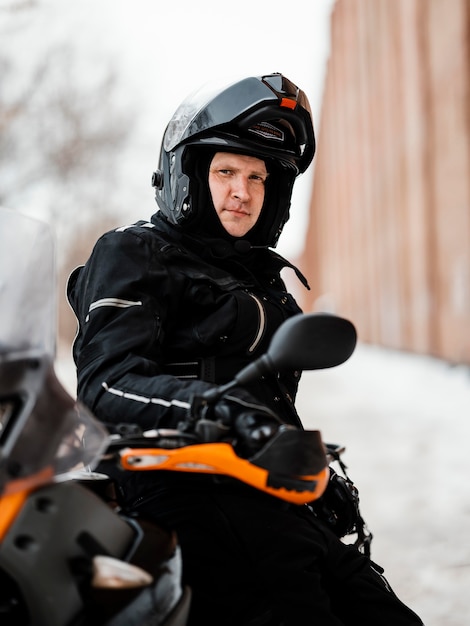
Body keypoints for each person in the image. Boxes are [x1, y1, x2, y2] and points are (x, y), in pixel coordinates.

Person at [67, 73, 423, 625]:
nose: (243, 191)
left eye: (258, 177)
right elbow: (106, 379)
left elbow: (264, 388)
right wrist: (213, 408)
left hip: (266, 493)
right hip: (182, 488)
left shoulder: (261, 279)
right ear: (187, 176)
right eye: (226, 171)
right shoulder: (134, 252)